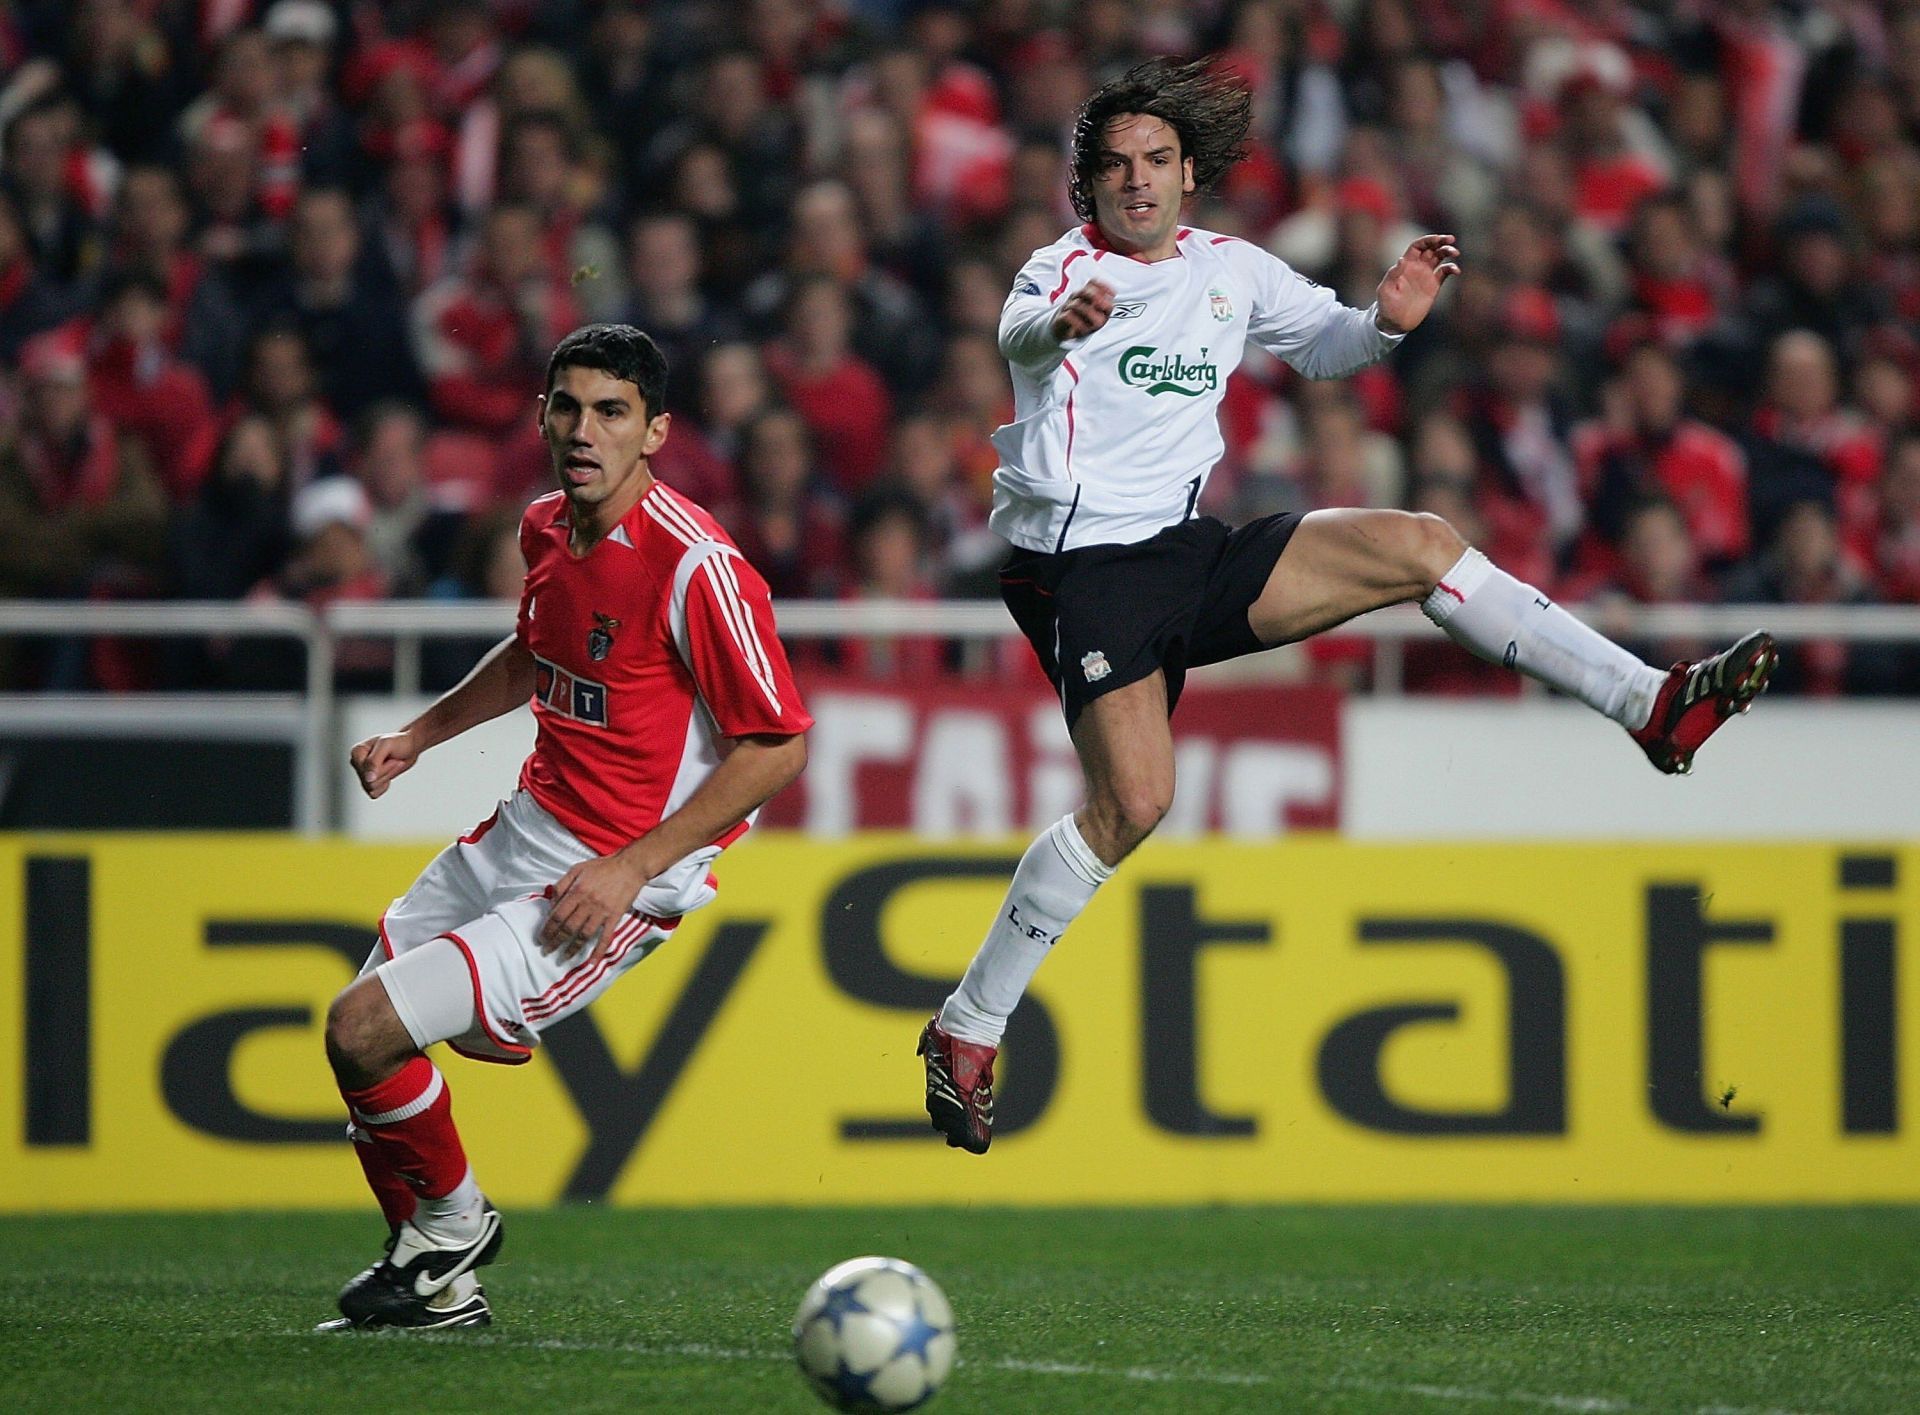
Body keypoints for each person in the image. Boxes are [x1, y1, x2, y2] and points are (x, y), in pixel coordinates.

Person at [917, 59, 1778, 1156]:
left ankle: (1653, 703)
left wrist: (1386, 320)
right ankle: (969, 1025)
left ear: (1190, 175)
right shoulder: (1057, 271)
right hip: (1082, 568)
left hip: (1189, 548)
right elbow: (1020, 338)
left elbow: (1324, 343)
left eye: (1156, 163)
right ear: (1086, 188)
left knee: (1422, 543)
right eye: (1115, 168)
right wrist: (1066, 324)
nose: (1137, 183)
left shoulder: (1231, 269)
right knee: (1134, 804)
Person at [319, 324, 812, 1329]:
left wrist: (630, 869)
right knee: (360, 1038)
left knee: (361, 1027)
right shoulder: (545, 525)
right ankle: (438, 1277)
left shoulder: (696, 565)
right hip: (524, 829)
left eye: (611, 411)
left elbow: (778, 746)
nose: (584, 430)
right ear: (543, 416)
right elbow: (532, 652)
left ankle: (451, 1226)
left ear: (656, 431)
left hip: (602, 878)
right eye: (567, 407)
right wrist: (421, 734)